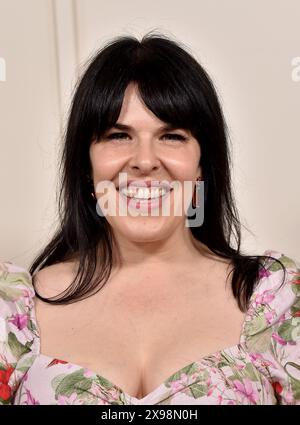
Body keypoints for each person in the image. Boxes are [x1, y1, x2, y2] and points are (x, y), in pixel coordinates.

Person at [0, 32, 299, 406]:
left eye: (171, 136)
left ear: (203, 165)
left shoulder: (274, 301)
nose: (144, 160)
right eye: (118, 135)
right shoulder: (13, 309)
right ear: (86, 167)